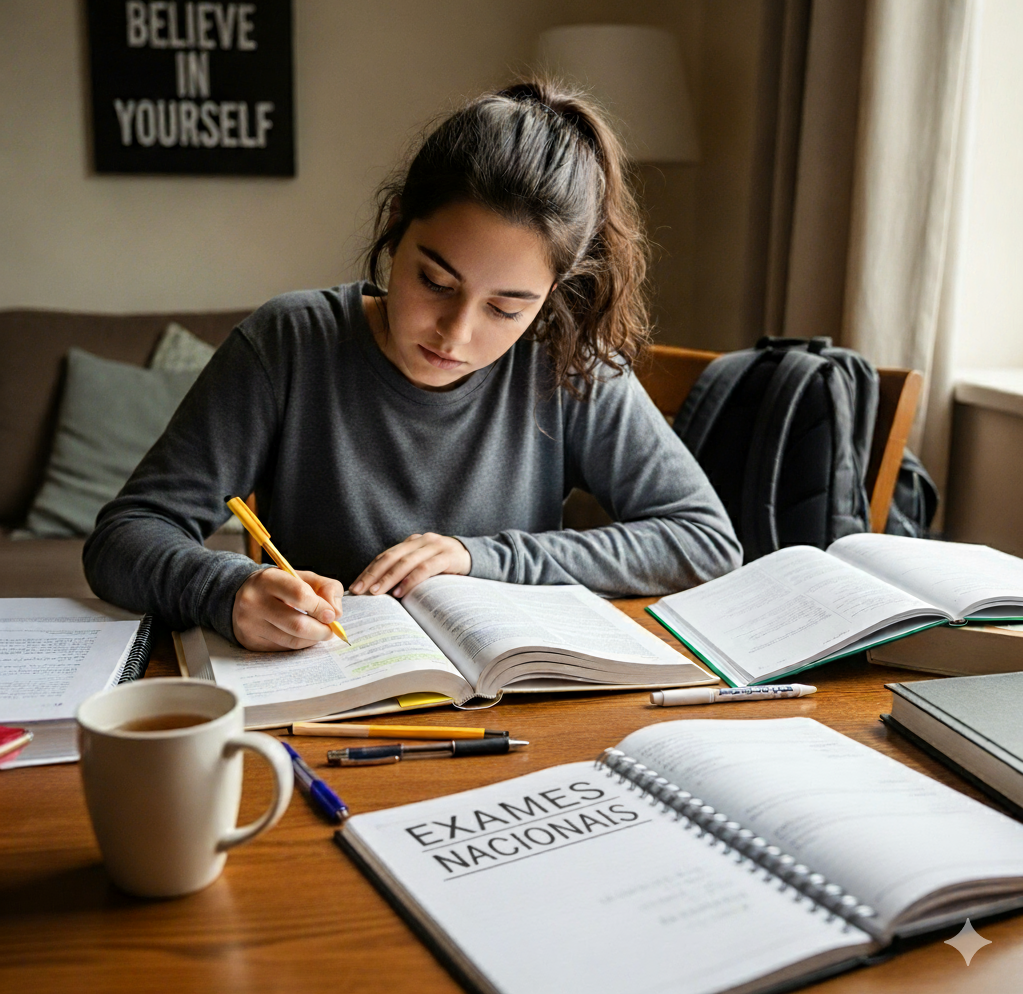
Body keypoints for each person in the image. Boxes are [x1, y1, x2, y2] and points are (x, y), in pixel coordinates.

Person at [84, 81, 742, 652]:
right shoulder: (289, 343)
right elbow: (124, 537)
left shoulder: (561, 363)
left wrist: (478, 558)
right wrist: (229, 591)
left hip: (516, 709)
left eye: (507, 309)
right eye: (436, 280)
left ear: (554, 292)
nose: (457, 334)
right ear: (397, 223)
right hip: (330, 702)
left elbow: (704, 541)